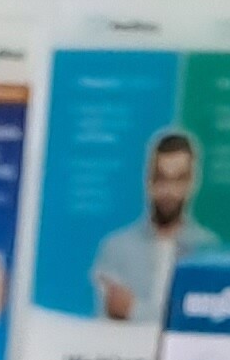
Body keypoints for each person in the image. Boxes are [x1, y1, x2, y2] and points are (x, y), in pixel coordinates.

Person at [92, 126, 217, 325]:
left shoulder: (207, 250)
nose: (169, 191)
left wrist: (134, 310)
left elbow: (199, 321)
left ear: (192, 182)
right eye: (161, 179)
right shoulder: (116, 248)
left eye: (178, 180)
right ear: (148, 180)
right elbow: (107, 324)